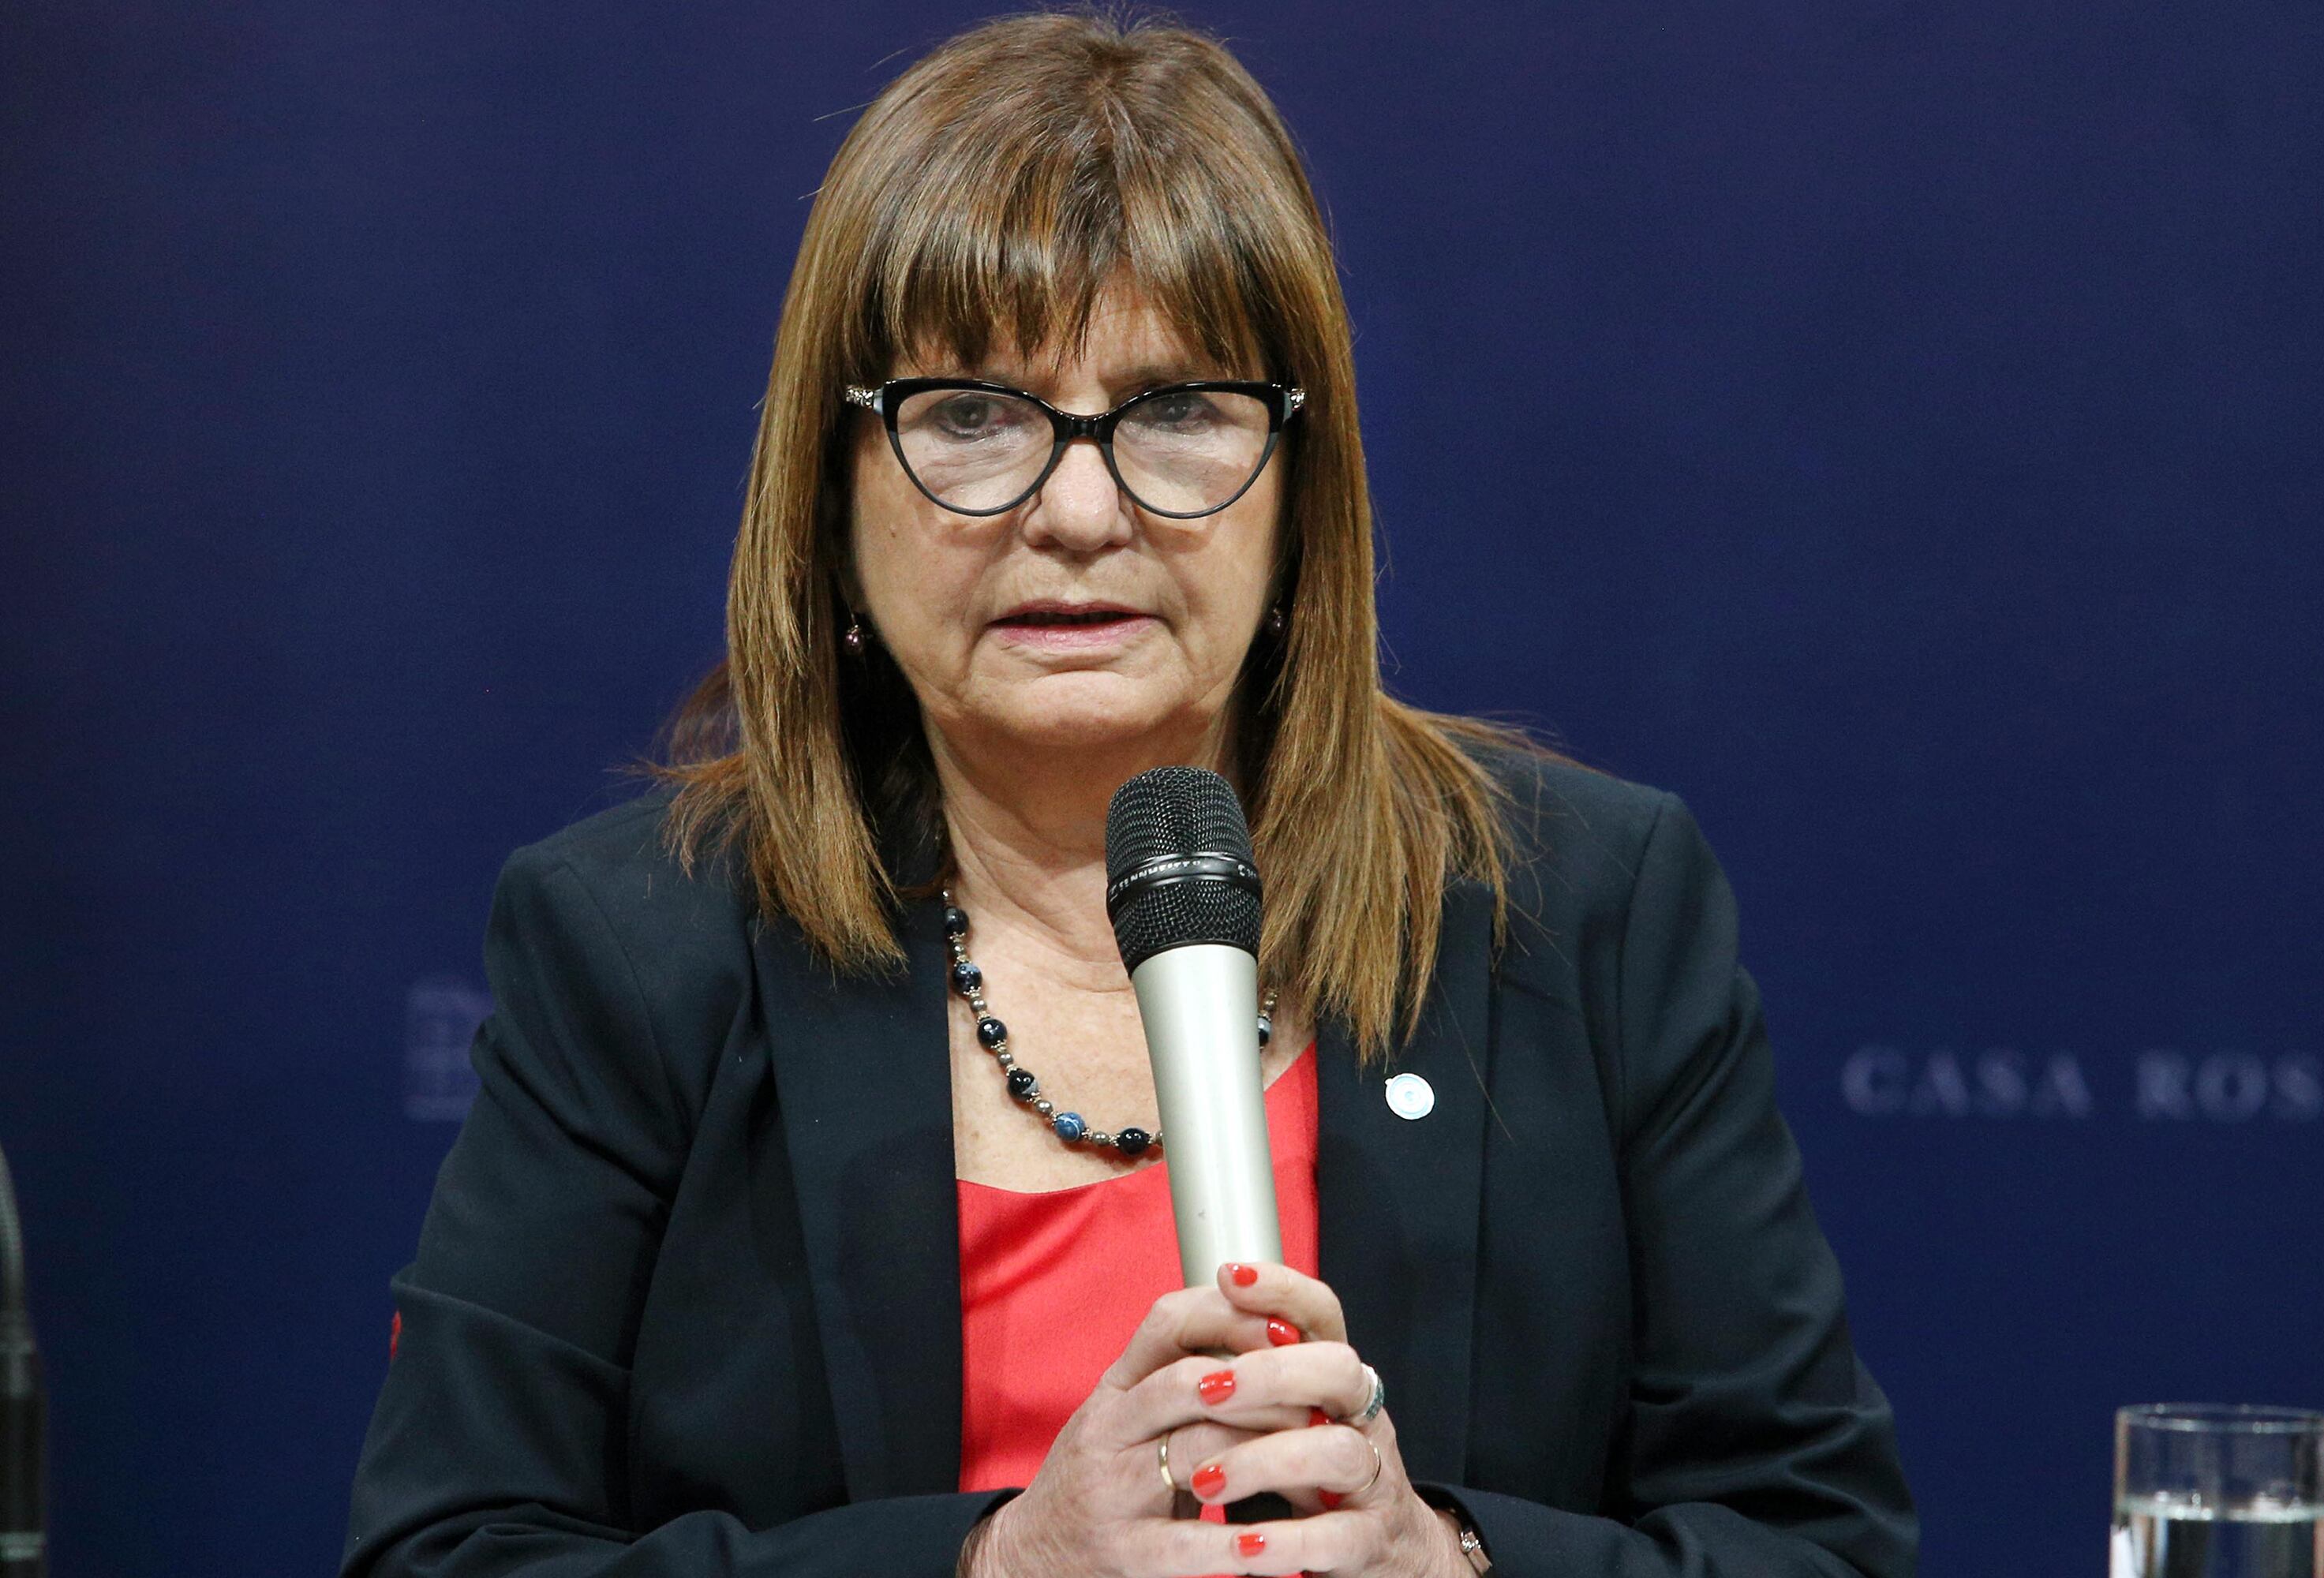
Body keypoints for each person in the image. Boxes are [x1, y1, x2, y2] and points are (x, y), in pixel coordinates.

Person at [342, 13, 1915, 1577]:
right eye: (971, 414)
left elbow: (1821, 1546)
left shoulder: (1580, 910)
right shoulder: (641, 950)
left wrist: (1445, 1562)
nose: (1081, 511)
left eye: (1176, 412)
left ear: (1301, 487)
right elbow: (448, 1552)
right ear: (832, 489)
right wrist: (1000, 1568)